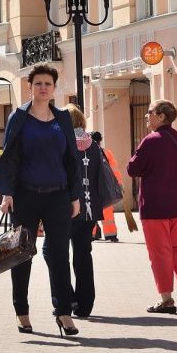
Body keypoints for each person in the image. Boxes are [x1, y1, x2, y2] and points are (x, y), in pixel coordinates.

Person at [0, 64, 83, 337]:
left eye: (48, 84)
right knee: (22, 255)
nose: (43, 88)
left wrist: (75, 195)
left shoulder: (62, 119)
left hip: (58, 195)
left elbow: (71, 159)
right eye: (38, 83)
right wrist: (7, 193)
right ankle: (22, 311)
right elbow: (8, 158)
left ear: (54, 89)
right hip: (26, 195)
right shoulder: (18, 117)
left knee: (59, 256)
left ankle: (64, 313)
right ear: (30, 87)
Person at [127, 99, 177, 313]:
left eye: (150, 112)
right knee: (175, 246)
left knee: (159, 252)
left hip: (155, 205)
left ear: (161, 116)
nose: (147, 116)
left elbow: (132, 169)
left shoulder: (151, 140)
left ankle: (166, 299)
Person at [57, 104, 105, 318]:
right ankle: (86, 304)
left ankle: (67, 299)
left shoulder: (62, 143)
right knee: (83, 254)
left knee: (58, 254)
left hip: (64, 206)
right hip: (89, 208)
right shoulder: (94, 145)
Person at [88, 131, 120, 243]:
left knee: (91, 211)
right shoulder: (107, 152)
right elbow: (114, 170)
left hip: (93, 187)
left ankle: (92, 234)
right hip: (106, 187)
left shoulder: (88, 152)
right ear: (100, 140)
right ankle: (111, 235)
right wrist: (119, 185)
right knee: (107, 212)